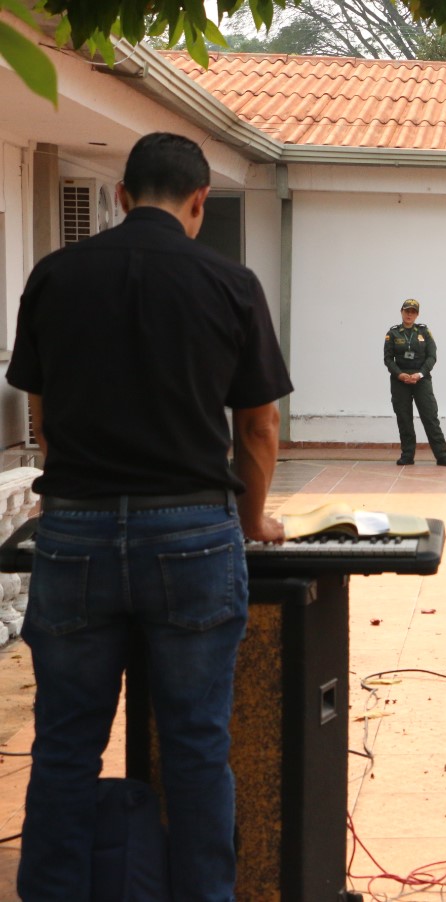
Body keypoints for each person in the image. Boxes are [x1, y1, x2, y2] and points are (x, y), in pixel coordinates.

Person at [5, 132, 293, 901]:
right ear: (199, 202)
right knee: (197, 745)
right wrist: (252, 520)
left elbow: (45, 414)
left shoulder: (55, 276)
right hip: (194, 535)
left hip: (74, 535)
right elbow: (258, 427)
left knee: (66, 745)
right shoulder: (231, 282)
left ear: (122, 196)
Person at [384, 298, 446, 466]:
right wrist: (399, 375)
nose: (409, 314)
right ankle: (407, 456)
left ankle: (442, 456)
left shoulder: (424, 331)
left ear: (417, 314)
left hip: (421, 380)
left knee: (430, 417)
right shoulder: (393, 333)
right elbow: (388, 359)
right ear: (401, 312)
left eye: (413, 312)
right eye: (407, 311)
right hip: (400, 381)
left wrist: (420, 374)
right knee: (404, 418)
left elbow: (432, 357)